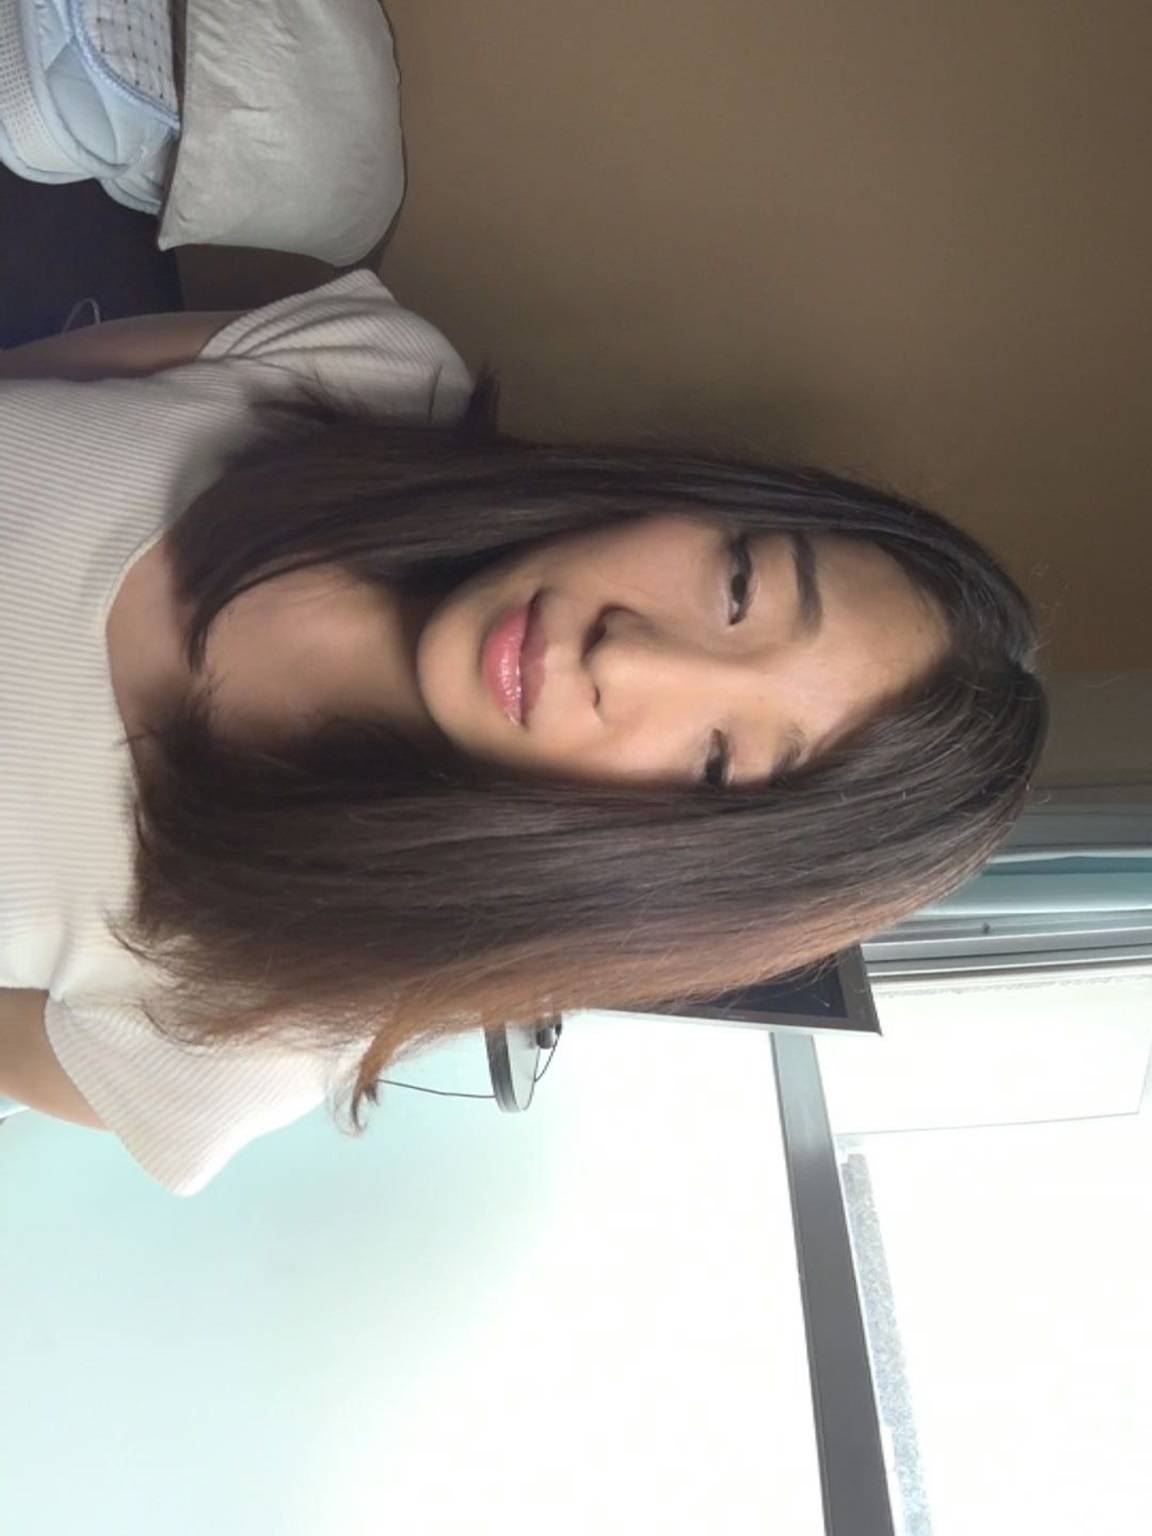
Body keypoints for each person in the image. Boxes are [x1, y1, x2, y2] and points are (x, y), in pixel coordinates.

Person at [0, 271, 1047, 1194]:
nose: (625, 657)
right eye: (739, 587)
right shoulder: (372, 371)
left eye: (717, 762)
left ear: (677, 868)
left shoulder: (261, 1013)